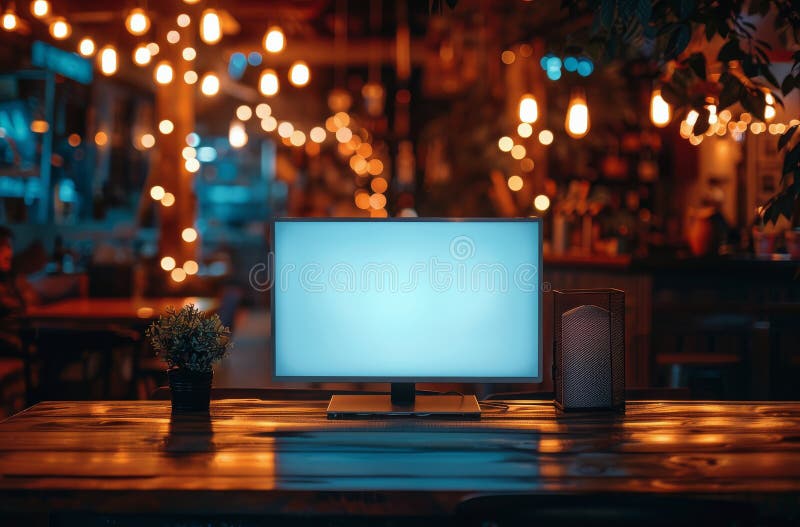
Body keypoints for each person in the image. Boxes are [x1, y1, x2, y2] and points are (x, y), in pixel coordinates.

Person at [0, 227, 37, 354]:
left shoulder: (13, 279)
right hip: (12, 345)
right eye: (3, 247)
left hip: (29, 336)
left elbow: (32, 303)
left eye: (9, 247)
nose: (8, 253)